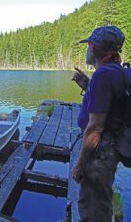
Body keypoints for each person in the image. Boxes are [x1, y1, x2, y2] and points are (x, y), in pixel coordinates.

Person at [71, 26, 126, 222]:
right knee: (101, 203)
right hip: (109, 147)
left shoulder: (103, 75)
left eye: (88, 45)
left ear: (94, 49)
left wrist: (79, 164)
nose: (86, 49)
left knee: (92, 210)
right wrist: (88, 86)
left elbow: (95, 128)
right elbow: (112, 106)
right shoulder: (114, 72)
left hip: (100, 152)